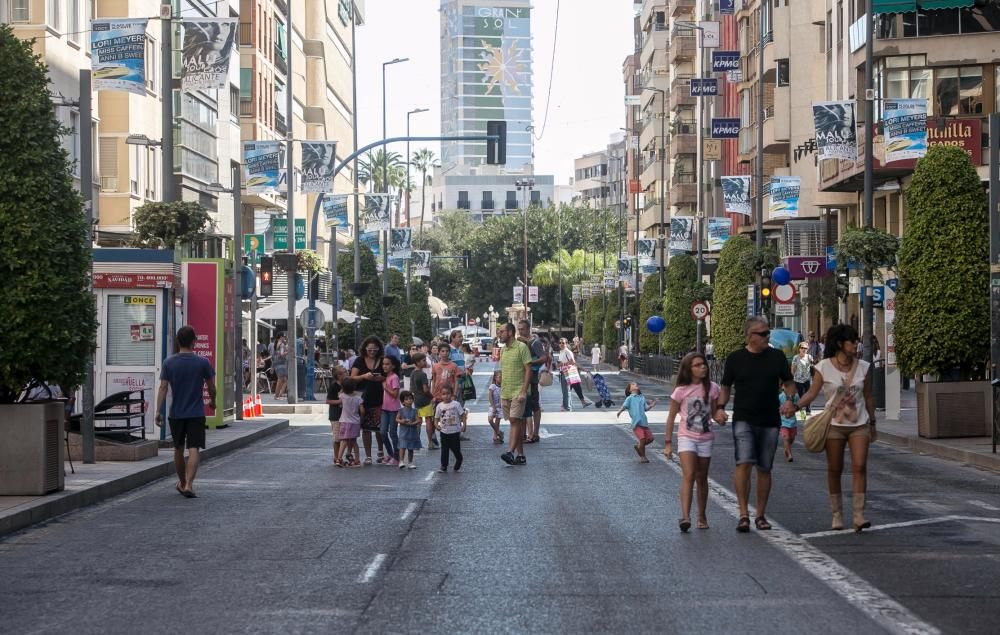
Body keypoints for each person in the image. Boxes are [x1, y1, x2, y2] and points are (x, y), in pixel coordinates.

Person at [718, 316, 796, 533]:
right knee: (743, 463)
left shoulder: (777, 356)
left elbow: (789, 382)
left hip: (770, 419)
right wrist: (720, 407)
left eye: (767, 332)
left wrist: (790, 399)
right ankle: (743, 514)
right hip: (744, 418)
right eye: (762, 334)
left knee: (764, 467)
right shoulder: (735, 359)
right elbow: (725, 385)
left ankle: (760, 515)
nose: (767, 337)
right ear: (749, 336)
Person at [797, 324, 875, 532]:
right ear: (841, 344)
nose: (856, 345)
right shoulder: (823, 367)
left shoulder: (864, 367)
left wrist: (873, 422)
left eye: (857, 341)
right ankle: (837, 514)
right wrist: (795, 405)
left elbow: (868, 396)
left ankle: (859, 515)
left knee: (859, 466)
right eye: (852, 341)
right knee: (835, 468)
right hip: (834, 425)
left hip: (859, 423)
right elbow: (812, 394)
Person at [665, 352, 724, 531]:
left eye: (703, 364)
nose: (703, 367)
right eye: (697, 365)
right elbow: (671, 416)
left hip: (706, 438)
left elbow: (713, 412)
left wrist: (720, 416)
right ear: (689, 369)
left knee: (702, 477)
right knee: (689, 474)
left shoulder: (713, 388)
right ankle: (685, 517)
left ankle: (702, 515)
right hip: (686, 437)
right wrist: (668, 442)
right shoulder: (681, 391)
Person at [154, 325, 216, 498]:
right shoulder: (202, 362)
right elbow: (212, 386)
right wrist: (213, 401)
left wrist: (158, 411)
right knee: (194, 448)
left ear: (177, 341)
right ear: (193, 342)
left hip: (176, 413)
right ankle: (189, 484)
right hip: (196, 412)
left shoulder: (169, 362)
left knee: (178, 448)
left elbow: (163, 387)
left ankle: (181, 482)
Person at [499, 323, 532, 466]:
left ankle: (510, 452)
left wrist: (524, 390)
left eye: (501, 331)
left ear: (510, 333)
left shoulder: (521, 347)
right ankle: (521, 455)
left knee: (514, 420)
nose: (499, 334)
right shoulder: (503, 350)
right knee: (516, 423)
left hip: (518, 392)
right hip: (505, 391)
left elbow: (528, 370)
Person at [351, 336, 387, 465]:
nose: (372, 352)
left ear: (379, 349)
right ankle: (368, 456)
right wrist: (364, 376)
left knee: (380, 429)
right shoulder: (359, 361)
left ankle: (381, 452)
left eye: (375, 349)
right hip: (363, 399)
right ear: (365, 348)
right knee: (366, 429)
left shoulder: (382, 360)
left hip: (380, 397)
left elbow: (390, 376)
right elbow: (352, 378)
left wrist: (381, 378)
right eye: (370, 349)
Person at [517, 319, 549, 444]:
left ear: (528, 329)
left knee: (534, 405)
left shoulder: (534, 342)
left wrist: (529, 364)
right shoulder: (519, 342)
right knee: (523, 406)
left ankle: (535, 433)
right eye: (519, 329)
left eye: (522, 329)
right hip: (522, 378)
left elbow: (543, 358)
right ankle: (523, 434)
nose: (520, 331)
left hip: (533, 379)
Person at [616, 382, 656, 463]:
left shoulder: (642, 397)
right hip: (636, 423)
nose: (636, 385)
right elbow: (624, 406)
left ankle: (639, 446)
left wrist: (651, 405)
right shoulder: (630, 398)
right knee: (642, 439)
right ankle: (643, 457)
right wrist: (620, 411)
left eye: (636, 384)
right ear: (630, 390)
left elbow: (646, 408)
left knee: (651, 439)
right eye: (633, 384)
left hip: (644, 422)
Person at [555, 338, 593, 411]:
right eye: (560, 343)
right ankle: (573, 404)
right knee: (571, 388)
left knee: (568, 390)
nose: (561, 344)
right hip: (566, 373)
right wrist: (558, 365)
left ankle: (567, 406)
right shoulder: (562, 352)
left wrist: (562, 364)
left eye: (563, 343)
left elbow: (573, 361)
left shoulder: (567, 351)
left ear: (566, 343)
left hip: (568, 373)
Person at [434, 384, 465, 472]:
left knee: (455, 448)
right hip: (444, 431)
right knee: (444, 449)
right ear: (441, 395)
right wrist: (436, 425)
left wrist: (464, 425)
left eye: (448, 394)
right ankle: (444, 466)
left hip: (455, 431)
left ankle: (459, 458)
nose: (446, 396)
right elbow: (436, 418)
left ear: (451, 394)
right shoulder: (439, 406)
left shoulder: (456, 404)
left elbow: (462, 415)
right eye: (443, 394)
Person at [410, 352, 437, 449]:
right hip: (425, 400)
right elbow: (426, 390)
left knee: (418, 422)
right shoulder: (422, 374)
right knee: (429, 420)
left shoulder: (413, 373)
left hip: (416, 399)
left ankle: (416, 443)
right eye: (423, 360)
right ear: (417, 362)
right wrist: (432, 397)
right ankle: (430, 443)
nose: (425, 362)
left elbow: (411, 388)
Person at [335, 378, 363, 467]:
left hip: (344, 422)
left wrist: (342, 389)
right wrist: (361, 418)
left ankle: (339, 459)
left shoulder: (342, 396)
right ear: (354, 387)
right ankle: (357, 460)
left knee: (343, 441)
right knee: (354, 442)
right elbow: (362, 411)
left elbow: (338, 395)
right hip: (355, 422)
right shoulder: (358, 398)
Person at [380, 356, 401, 466]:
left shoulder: (394, 377)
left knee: (393, 433)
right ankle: (391, 454)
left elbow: (395, 394)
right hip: (385, 408)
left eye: (387, 364)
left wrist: (385, 388)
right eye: (383, 364)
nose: (384, 366)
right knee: (382, 432)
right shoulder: (386, 377)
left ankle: (397, 457)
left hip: (393, 409)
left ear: (393, 366)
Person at [326, 365, 348, 464]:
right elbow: (328, 401)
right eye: (345, 372)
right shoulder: (334, 386)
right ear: (339, 375)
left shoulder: (347, 384)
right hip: (336, 415)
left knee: (345, 437)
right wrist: (340, 401)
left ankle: (341, 456)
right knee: (337, 438)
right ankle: (336, 457)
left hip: (346, 415)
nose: (347, 373)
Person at [396, 390, 421, 469]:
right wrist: (402, 421)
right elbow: (396, 419)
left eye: (410, 398)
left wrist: (413, 423)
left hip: (412, 433)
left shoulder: (415, 411)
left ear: (413, 400)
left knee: (411, 449)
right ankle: (401, 461)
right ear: (403, 402)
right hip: (403, 433)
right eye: (406, 399)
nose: (409, 400)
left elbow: (418, 420)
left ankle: (410, 462)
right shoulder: (401, 410)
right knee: (402, 447)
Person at [432, 343, 459, 408]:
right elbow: (433, 381)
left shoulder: (454, 366)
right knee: (437, 415)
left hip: (449, 396)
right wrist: (433, 395)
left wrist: (454, 395)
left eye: (447, 351)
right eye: (443, 351)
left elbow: (456, 381)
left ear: (449, 352)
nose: (445, 353)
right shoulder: (435, 366)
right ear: (439, 352)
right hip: (438, 396)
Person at [791, 342, 815, 418]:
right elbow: (792, 369)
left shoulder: (809, 357)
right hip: (798, 380)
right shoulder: (796, 357)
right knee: (801, 397)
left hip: (807, 379)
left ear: (807, 349)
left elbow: (812, 368)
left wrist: (813, 377)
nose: (804, 349)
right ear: (799, 349)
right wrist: (793, 375)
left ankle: (808, 410)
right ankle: (802, 414)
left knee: (808, 395)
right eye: (802, 348)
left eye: (805, 348)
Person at [779, 380, 799, 463]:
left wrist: (802, 416)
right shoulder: (780, 396)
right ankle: (789, 455)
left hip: (793, 422)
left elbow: (799, 406)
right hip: (783, 422)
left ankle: (787, 449)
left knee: (791, 439)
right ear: (783, 387)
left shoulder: (796, 396)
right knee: (786, 438)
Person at [487, 370, 504, 444]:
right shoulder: (492, 386)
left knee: (497, 422)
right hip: (493, 406)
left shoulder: (503, 387)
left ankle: (495, 436)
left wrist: (501, 404)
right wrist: (493, 407)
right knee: (490, 420)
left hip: (500, 407)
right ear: (495, 378)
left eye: (502, 377)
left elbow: (503, 396)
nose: (501, 378)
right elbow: (490, 396)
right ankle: (499, 432)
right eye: (499, 377)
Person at [272, 335, 288, 399]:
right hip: (281, 363)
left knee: (284, 380)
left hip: (277, 363)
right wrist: (288, 351)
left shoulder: (276, 344)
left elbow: (273, 355)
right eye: (284, 336)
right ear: (281, 337)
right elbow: (281, 354)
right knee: (280, 379)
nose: (284, 337)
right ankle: (276, 395)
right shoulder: (281, 344)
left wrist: (272, 366)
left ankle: (279, 394)